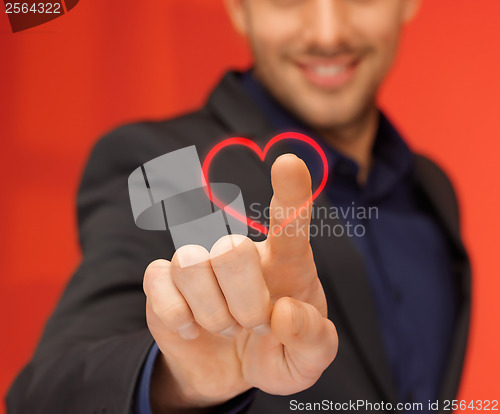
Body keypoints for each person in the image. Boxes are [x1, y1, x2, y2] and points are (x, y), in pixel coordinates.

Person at [7, 0, 471, 413]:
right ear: (237, 7)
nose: (328, 32)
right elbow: (45, 395)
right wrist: (181, 383)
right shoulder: (167, 167)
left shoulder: (432, 191)